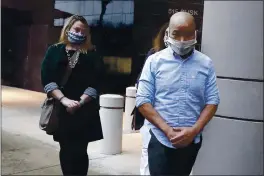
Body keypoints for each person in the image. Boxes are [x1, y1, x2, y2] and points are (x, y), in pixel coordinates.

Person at [136, 12, 220, 176]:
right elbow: (143, 100)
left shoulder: (206, 64)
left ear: (195, 34)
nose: (182, 41)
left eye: (188, 35)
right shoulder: (154, 61)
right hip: (160, 139)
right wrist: (167, 130)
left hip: (191, 141)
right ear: (167, 34)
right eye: (176, 34)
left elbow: (213, 101)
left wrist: (194, 131)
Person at [41, 15, 105, 176]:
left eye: (84, 31)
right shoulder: (54, 51)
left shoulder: (91, 53)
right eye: (77, 29)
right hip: (62, 108)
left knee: (81, 150)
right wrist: (64, 100)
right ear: (68, 29)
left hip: (85, 110)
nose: (80, 33)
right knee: (66, 148)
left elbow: (98, 81)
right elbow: (47, 79)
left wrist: (80, 102)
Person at [138, 23, 169, 175]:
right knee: (148, 159)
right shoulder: (154, 56)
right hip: (153, 118)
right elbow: (141, 89)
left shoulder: (193, 59)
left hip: (179, 121)